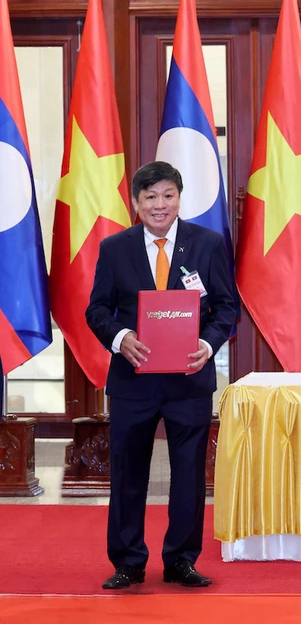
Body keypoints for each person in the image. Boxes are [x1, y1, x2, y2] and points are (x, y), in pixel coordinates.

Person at [86, 161, 236, 590]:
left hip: (189, 380)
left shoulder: (206, 244)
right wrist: (120, 337)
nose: (159, 205)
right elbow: (97, 309)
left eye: (167, 195)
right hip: (134, 380)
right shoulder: (116, 248)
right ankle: (129, 562)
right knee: (128, 473)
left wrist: (207, 347)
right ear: (135, 203)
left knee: (189, 475)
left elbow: (226, 306)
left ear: (179, 198)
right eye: (149, 197)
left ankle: (181, 561)